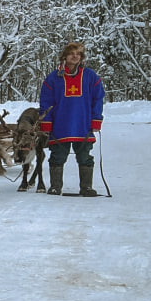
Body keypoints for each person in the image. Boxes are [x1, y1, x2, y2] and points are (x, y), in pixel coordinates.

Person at [38, 41, 104, 196]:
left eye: (78, 54)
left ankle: (86, 187)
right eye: (72, 53)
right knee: (57, 156)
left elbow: (98, 99)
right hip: (60, 125)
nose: (75, 57)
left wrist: (96, 119)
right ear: (65, 56)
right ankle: (55, 186)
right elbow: (46, 102)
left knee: (85, 156)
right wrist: (46, 123)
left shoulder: (90, 76)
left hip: (83, 124)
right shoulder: (54, 78)